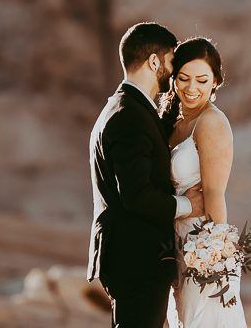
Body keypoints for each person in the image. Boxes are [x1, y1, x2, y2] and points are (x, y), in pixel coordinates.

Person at [87, 22, 205, 327]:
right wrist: (189, 206)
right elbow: (136, 195)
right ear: (154, 62)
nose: (173, 69)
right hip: (135, 258)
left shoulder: (127, 108)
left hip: (130, 257)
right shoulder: (129, 116)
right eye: (170, 61)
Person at [161, 37, 247, 327]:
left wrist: (217, 260)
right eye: (183, 78)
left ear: (216, 82)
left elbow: (214, 193)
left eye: (201, 79)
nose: (191, 88)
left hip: (201, 247)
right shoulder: (175, 122)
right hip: (174, 241)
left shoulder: (211, 122)